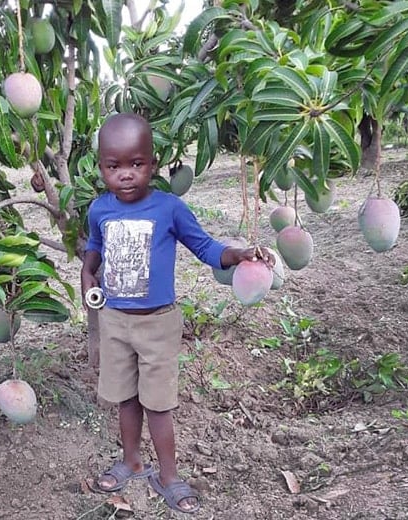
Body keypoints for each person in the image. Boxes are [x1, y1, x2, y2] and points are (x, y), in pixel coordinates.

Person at [80, 112, 273, 514]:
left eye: (136, 164)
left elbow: (204, 247)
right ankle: (132, 461)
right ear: (101, 168)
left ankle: (169, 476)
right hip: (115, 321)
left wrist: (236, 254)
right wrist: (87, 273)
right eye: (114, 167)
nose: (126, 175)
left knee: (158, 403)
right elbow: (94, 249)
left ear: (153, 163)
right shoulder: (99, 209)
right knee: (125, 399)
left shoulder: (169, 208)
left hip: (158, 323)